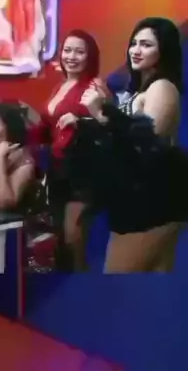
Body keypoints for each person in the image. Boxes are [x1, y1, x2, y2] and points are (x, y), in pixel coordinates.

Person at [67, 17, 186, 273]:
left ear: (163, 50)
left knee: (116, 280)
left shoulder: (162, 87)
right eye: (134, 43)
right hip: (139, 201)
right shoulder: (139, 91)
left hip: (150, 204)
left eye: (146, 45)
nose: (136, 50)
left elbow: (146, 145)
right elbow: (123, 133)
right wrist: (91, 119)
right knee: (152, 286)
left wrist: (101, 113)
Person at [29, 30, 108, 271]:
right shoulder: (60, 86)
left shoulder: (95, 85)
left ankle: (85, 288)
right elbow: (48, 128)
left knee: (74, 238)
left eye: (79, 51)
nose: (71, 56)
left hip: (84, 170)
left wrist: (81, 121)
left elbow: (110, 125)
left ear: (90, 56)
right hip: (58, 171)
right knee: (61, 239)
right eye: (67, 50)